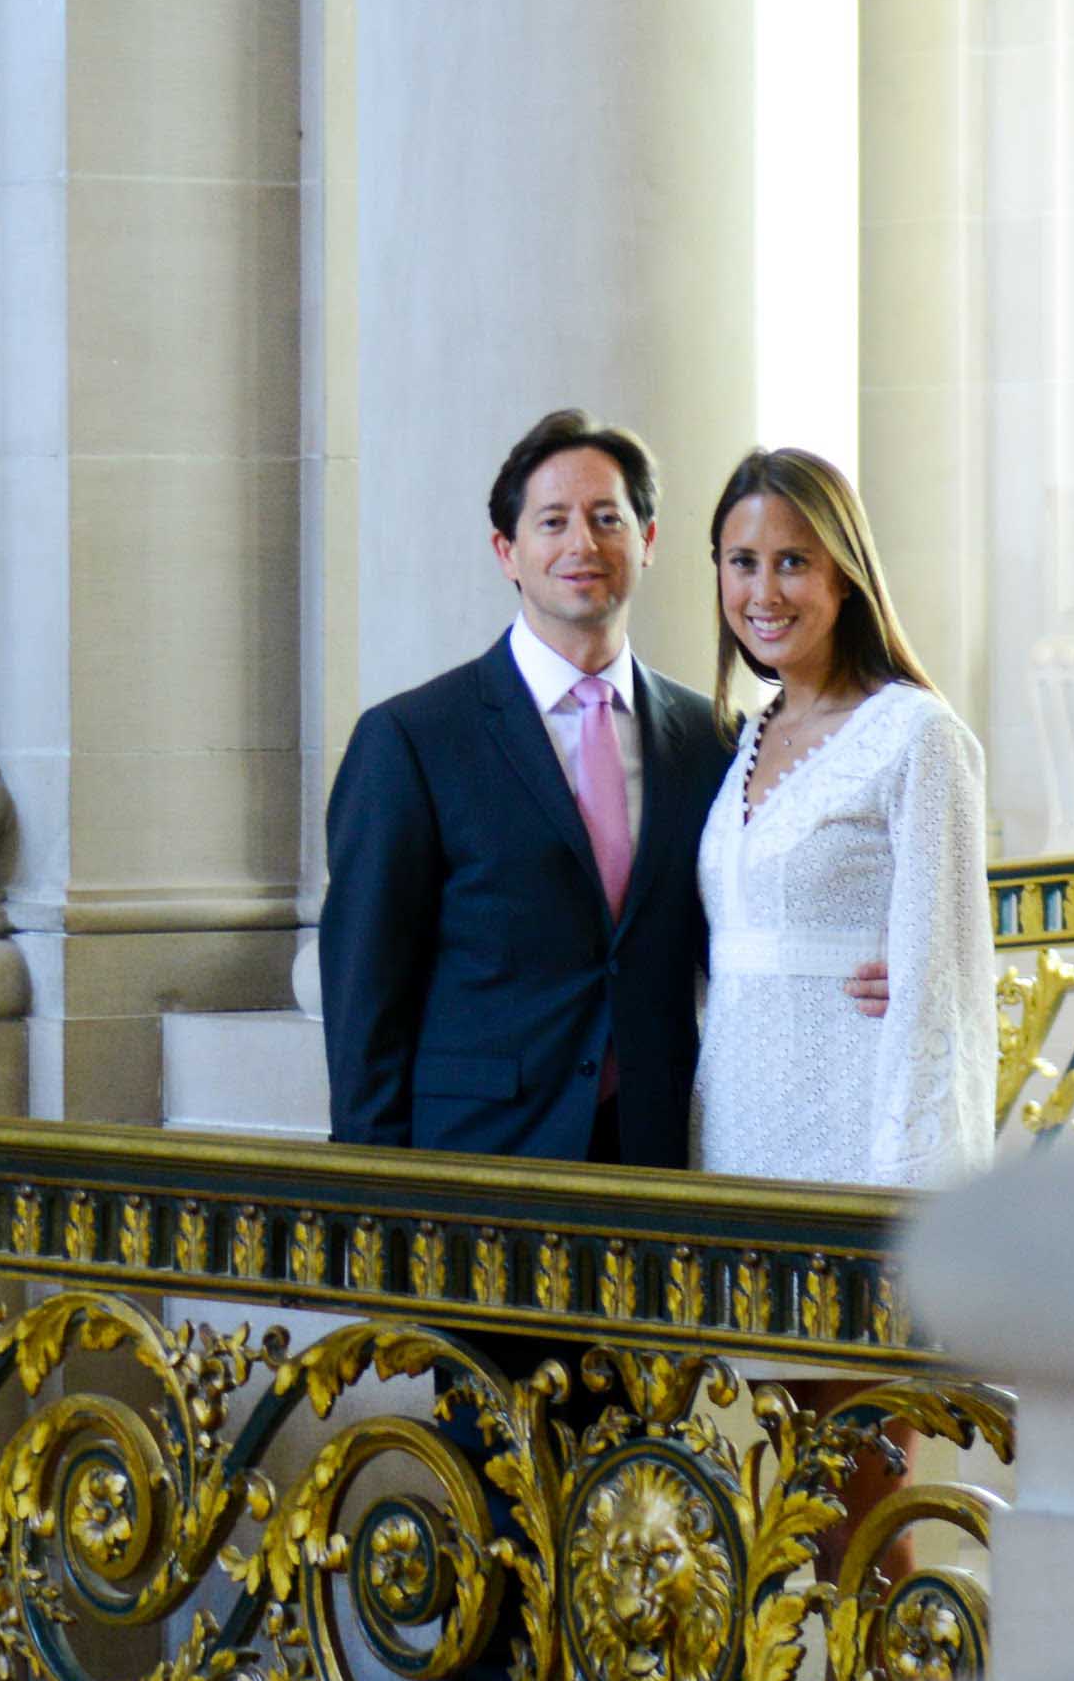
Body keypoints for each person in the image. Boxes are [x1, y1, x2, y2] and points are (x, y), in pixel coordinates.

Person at [321, 412, 885, 1162]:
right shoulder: (412, 740)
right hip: (476, 1161)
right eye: (552, 522)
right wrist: (364, 1198)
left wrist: (887, 972)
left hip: (662, 1153)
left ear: (647, 543)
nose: (582, 545)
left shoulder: (716, 741)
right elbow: (366, 999)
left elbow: (752, 926)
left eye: (606, 519)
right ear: (507, 553)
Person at [689, 446, 995, 1187]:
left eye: (792, 561)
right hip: (729, 1135)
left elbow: (942, 993)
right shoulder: (739, 740)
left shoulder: (918, 736)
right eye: (742, 562)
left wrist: (912, 1192)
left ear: (845, 577)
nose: (764, 591)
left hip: (854, 1142)